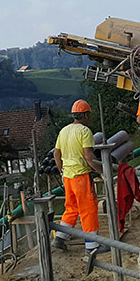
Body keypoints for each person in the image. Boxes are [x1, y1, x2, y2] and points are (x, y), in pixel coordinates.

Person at [52, 99, 110, 254]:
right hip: (81, 176)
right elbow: (89, 158)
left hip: (68, 177)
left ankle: (60, 238)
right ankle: (92, 246)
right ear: (84, 115)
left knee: (71, 207)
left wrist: (61, 170)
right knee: (88, 209)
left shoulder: (63, 130)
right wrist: (103, 172)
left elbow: (56, 154)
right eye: (88, 115)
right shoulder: (85, 132)